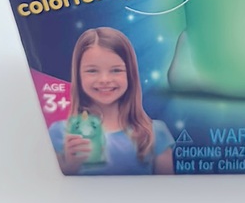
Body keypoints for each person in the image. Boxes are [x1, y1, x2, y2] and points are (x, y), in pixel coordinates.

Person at [49, 27, 175, 175]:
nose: (104, 80)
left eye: (116, 70)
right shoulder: (60, 133)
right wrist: (69, 167)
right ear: (78, 75)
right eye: (92, 71)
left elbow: (168, 188)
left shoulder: (154, 133)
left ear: (130, 74)